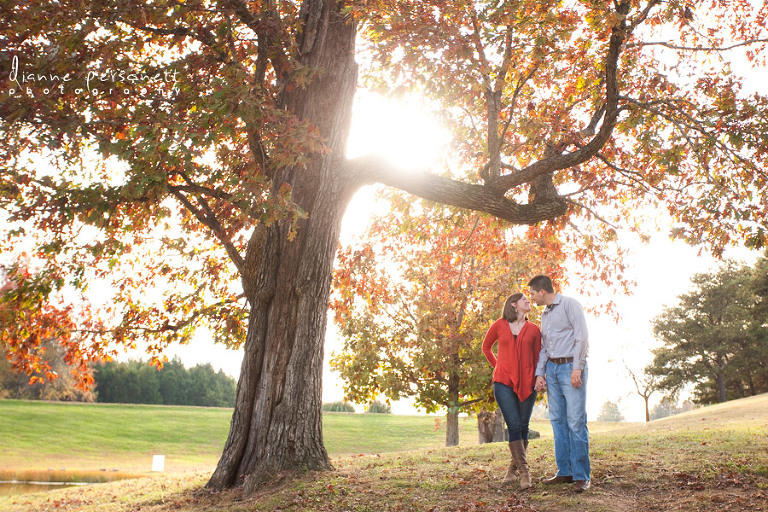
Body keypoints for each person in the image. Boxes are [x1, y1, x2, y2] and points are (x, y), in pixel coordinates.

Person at [529, 275, 591, 492]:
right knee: (557, 421)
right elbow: (545, 347)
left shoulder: (569, 305)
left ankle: (582, 476)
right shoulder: (545, 315)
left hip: (570, 368)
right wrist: (540, 374)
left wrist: (577, 368)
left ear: (542, 292)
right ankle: (564, 471)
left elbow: (581, 337)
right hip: (552, 370)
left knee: (575, 421)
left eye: (532, 293)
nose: (531, 298)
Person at [482, 292, 542, 489]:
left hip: (528, 383)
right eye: (525, 299)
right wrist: (498, 366)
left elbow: (537, 358)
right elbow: (486, 347)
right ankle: (525, 472)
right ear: (514, 304)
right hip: (503, 383)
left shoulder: (534, 330)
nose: (529, 301)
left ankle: (511, 470)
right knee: (514, 425)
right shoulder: (499, 325)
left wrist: (538, 378)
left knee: (523, 426)